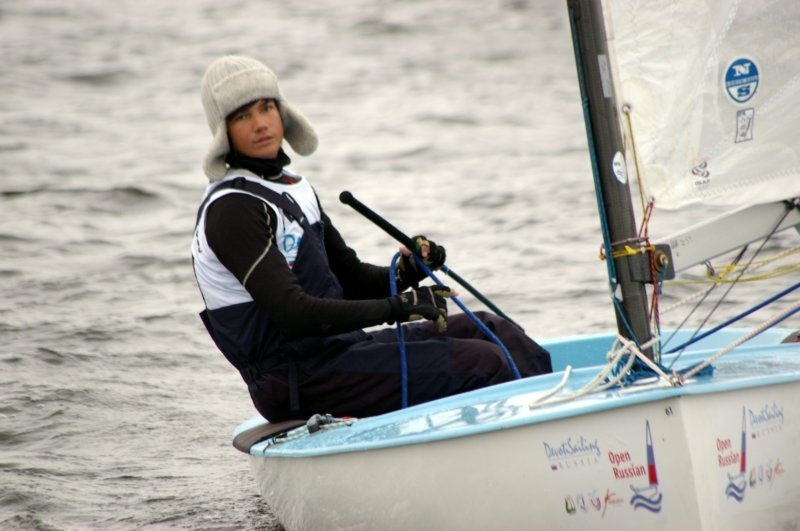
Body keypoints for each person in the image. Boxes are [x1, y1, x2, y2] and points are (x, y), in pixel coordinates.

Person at [191, 55, 552, 423]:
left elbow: (352, 280)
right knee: (482, 362)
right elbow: (295, 315)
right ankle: (525, 443)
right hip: (296, 379)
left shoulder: (292, 188)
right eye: (242, 116)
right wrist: (401, 307)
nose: (260, 123)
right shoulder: (232, 209)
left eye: (266, 107)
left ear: (282, 112)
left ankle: (555, 422)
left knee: (493, 330)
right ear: (224, 131)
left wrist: (409, 271)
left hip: (341, 351)